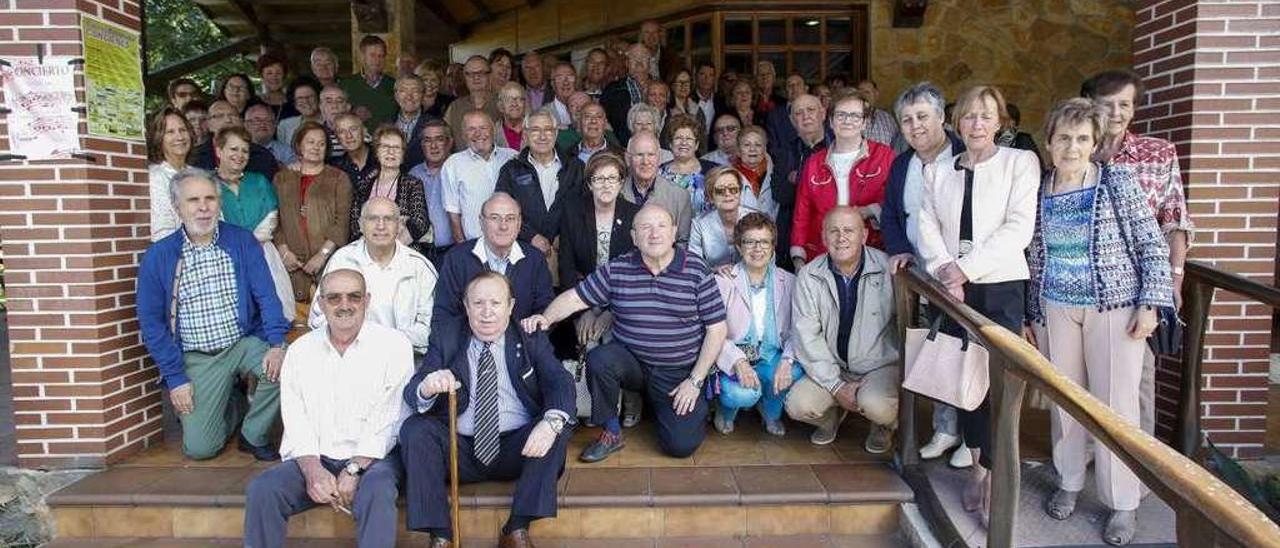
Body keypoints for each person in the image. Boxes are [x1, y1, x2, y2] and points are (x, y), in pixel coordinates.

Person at [1022, 97, 1173, 546]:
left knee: (1116, 408)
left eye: (1082, 139)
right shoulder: (1038, 189)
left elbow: (1152, 244)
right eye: (1064, 138)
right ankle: (1069, 481)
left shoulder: (1116, 182)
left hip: (1115, 309)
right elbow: (1031, 256)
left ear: (1095, 143)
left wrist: (1151, 303)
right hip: (1055, 308)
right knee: (1066, 404)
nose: (1072, 147)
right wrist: (1032, 315)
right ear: (1049, 141)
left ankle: (1122, 502)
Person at [916, 85, 1039, 521]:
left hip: (999, 286)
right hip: (953, 289)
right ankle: (975, 469)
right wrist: (945, 269)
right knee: (964, 383)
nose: (977, 124)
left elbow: (1019, 228)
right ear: (956, 122)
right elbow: (927, 224)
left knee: (1000, 387)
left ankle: (993, 473)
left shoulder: (1020, 163)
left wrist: (965, 270)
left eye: (986, 116)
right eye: (968, 116)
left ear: (1000, 121)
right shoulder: (939, 170)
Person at [522, 205, 728, 462]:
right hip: (633, 364)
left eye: (661, 226)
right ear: (633, 236)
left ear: (674, 232)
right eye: (645, 227)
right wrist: (546, 318)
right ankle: (612, 431)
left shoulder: (696, 270)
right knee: (600, 360)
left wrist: (695, 381)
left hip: (678, 373)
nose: (654, 234)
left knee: (680, 446)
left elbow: (717, 330)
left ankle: (666, 407)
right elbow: (576, 298)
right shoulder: (619, 268)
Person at [401, 271, 575, 547]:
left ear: (511, 306)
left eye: (495, 303)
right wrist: (427, 386)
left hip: (517, 447)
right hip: (460, 451)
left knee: (556, 426)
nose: (487, 313)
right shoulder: (447, 334)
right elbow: (413, 391)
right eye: (478, 304)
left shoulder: (529, 336)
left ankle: (516, 529)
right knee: (415, 429)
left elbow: (560, 381)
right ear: (466, 306)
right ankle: (441, 536)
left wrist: (551, 422)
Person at [243, 268, 412, 548]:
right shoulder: (300, 352)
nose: (344, 305)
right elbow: (296, 420)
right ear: (320, 304)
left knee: (378, 490)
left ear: (367, 301)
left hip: (375, 460)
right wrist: (312, 470)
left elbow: (389, 418)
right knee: (262, 490)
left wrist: (355, 468)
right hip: (317, 458)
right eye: (334, 298)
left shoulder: (394, 346)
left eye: (353, 297)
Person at [137, 169, 287, 461]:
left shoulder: (241, 241)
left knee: (288, 366)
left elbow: (267, 296)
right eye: (193, 200)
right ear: (177, 207)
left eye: (210, 198)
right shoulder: (160, 255)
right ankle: (233, 406)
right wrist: (175, 377)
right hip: (197, 357)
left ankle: (252, 434)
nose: (203, 207)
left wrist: (277, 343)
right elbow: (151, 324)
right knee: (200, 449)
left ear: (219, 203)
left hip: (242, 343)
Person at [1083, 69, 1194, 438]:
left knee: (1137, 380)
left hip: (1139, 286)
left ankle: (1140, 466)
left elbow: (1174, 219)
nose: (1115, 112)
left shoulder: (1157, 153)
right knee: (1084, 377)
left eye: (1124, 104)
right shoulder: (1079, 149)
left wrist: (1174, 280)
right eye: (1107, 104)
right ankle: (1089, 456)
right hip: (1084, 285)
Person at [879, 82, 971, 469]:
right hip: (918, 273)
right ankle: (945, 429)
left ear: (942, 118)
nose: (915, 126)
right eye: (907, 120)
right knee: (932, 349)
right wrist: (898, 248)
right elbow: (890, 213)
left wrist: (961, 267)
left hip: (962, 274)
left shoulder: (966, 158)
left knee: (966, 352)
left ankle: (972, 437)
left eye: (922, 117)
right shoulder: (903, 164)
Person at [786, 207, 899, 453]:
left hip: (878, 366)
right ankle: (830, 418)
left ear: (864, 235)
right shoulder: (809, 275)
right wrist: (836, 385)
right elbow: (806, 335)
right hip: (833, 366)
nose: (841, 237)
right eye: (833, 231)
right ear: (824, 238)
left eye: (849, 230)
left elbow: (908, 323)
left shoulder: (887, 269)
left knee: (877, 406)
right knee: (798, 405)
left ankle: (883, 426)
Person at [310, 198, 438, 355]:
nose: (381, 226)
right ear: (360, 225)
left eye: (389, 219)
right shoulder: (342, 260)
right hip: (348, 357)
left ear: (399, 226)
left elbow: (431, 328)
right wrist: (356, 340)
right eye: (372, 219)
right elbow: (318, 318)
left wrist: (383, 342)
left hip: (402, 359)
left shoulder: (419, 267)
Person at [711, 213, 800, 436]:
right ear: (739, 247)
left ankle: (770, 413)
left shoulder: (789, 281)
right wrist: (738, 361)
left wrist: (787, 361)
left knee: (792, 371)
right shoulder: (723, 281)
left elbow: (799, 330)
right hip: (736, 354)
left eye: (764, 242)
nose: (757, 248)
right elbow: (713, 332)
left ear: (773, 246)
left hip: (772, 355)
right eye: (749, 242)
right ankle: (725, 411)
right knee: (741, 395)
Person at [791, 90, 893, 266]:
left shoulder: (885, 156)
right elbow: (802, 213)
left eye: (854, 116)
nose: (847, 121)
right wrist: (798, 256)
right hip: (823, 254)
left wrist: (870, 210)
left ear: (864, 123)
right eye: (841, 115)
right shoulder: (814, 162)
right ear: (830, 121)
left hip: (872, 252)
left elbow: (898, 204)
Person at [434, 193, 554, 331]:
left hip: (522, 348)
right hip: (468, 347)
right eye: (495, 218)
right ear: (481, 221)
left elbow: (545, 313)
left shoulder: (535, 260)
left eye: (510, 218)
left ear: (519, 223)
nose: (503, 226)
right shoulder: (456, 259)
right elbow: (444, 314)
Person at [211, 126, 295, 322]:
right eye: (234, 149)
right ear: (219, 151)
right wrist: (237, 244)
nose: (240, 155)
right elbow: (212, 220)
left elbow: (272, 214)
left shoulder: (259, 181)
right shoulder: (207, 183)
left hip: (262, 251)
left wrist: (253, 241)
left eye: (244, 150)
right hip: (225, 256)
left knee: (272, 309)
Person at [273, 121, 354, 304]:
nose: (316, 147)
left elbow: (341, 222)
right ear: (299, 145)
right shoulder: (282, 178)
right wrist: (284, 252)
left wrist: (322, 255)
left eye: (321, 143)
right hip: (290, 263)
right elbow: (275, 221)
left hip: (328, 262)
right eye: (310, 142)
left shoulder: (339, 178)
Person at [495, 109, 586, 268]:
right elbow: (501, 212)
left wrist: (564, 236)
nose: (543, 136)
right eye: (535, 130)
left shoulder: (575, 167)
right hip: (523, 253)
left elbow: (584, 207)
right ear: (525, 135)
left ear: (556, 133)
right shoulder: (511, 170)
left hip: (567, 253)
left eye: (548, 130)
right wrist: (531, 237)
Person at [557, 151, 639, 300]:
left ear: (621, 183)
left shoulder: (634, 215)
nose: (606, 185)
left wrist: (609, 312)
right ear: (589, 184)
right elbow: (566, 267)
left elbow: (636, 271)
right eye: (599, 179)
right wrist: (581, 310)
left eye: (612, 178)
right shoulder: (572, 213)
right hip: (581, 296)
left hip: (623, 300)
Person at [771, 93, 829, 269]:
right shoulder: (785, 152)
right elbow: (781, 195)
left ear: (823, 113)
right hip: (795, 239)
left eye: (811, 110)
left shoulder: (838, 146)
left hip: (831, 233)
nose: (806, 116)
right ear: (791, 119)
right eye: (799, 113)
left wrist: (799, 177)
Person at [349, 126, 430, 252]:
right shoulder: (364, 185)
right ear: (376, 151)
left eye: (396, 148)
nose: (391, 152)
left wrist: (390, 251)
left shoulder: (412, 184)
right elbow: (355, 223)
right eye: (385, 147)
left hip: (403, 253)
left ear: (403, 154)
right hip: (367, 254)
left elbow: (420, 223)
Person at [442, 110, 519, 241]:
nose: (478, 134)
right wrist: (463, 249)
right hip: (474, 244)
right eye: (471, 129)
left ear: (493, 130)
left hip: (513, 242)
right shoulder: (453, 164)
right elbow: (453, 215)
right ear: (464, 135)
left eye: (483, 128)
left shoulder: (512, 157)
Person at [621, 131, 693, 244]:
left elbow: (683, 242)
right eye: (639, 155)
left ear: (659, 158)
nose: (645, 161)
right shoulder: (615, 192)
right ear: (627, 158)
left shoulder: (679, 196)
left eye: (651, 155)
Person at [190, 100, 280, 180]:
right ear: (208, 124)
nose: (228, 120)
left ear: (241, 122)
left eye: (233, 115)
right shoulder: (194, 157)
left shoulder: (262, 155)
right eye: (219, 116)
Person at [409, 119, 457, 263]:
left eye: (439, 139)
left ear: (450, 143)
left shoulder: (459, 169)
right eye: (427, 140)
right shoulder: (413, 174)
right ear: (421, 145)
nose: (434, 146)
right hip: (420, 253)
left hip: (453, 252)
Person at [689, 166, 757, 268]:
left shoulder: (756, 219)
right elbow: (694, 265)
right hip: (713, 280)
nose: (727, 194)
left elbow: (767, 259)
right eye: (720, 191)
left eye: (733, 189)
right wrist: (714, 271)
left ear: (740, 192)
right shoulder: (698, 224)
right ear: (711, 197)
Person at [147, 107, 196, 241]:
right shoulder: (156, 177)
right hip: (176, 256)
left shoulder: (199, 175)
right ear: (158, 138)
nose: (179, 137)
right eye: (170, 132)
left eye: (182, 130)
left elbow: (218, 221)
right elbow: (162, 232)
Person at [659, 115, 717, 215]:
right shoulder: (659, 173)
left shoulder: (714, 171)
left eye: (689, 138)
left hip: (705, 228)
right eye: (678, 138)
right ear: (670, 144)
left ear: (697, 145)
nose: (684, 143)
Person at [444, 55, 502, 150]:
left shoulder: (503, 103)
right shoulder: (454, 107)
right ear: (464, 77)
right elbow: (445, 139)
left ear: (490, 75)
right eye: (470, 74)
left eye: (481, 73)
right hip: (462, 163)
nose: (476, 77)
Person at [340, 35, 398, 128]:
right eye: (372, 55)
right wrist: (351, 112)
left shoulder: (395, 85)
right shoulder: (346, 84)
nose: (377, 60)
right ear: (362, 57)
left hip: (386, 139)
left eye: (381, 56)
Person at [602, 43, 653, 144]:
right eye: (634, 57)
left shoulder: (661, 87)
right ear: (627, 62)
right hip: (624, 148)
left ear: (650, 62)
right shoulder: (613, 90)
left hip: (657, 148)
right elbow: (604, 121)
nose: (639, 61)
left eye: (643, 57)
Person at [732, 125, 779, 219]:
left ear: (765, 149)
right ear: (738, 151)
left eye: (758, 145)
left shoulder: (777, 173)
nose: (752, 149)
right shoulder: (729, 177)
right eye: (746, 145)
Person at [393, 75, 431, 170]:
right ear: (396, 96)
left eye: (415, 91)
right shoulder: (385, 124)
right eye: (403, 91)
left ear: (423, 95)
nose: (409, 97)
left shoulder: (434, 124)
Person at [276, 78, 322, 154]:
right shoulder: (284, 125)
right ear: (294, 102)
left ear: (318, 98)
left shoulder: (329, 123)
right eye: (300, 98)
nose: (305, 101)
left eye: (310, 97)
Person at [332, 112, 378, 185]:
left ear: (364, 131)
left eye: (353, 129)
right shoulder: (336, 169)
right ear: (337, 138)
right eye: (341, 132)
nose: (349, 136)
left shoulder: (381, 157)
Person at [856, 79, 901, 150]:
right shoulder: (850, 118)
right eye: (859, 92)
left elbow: (897, 145)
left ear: (876, 94)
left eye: (867, 92)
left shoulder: (888, 119)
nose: (862, 96)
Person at [318, 85, 354, 160]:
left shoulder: (360, 135)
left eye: (339, 101)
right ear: (321, 107)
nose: (334, 106)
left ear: (348, 107)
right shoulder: (313, 134)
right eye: (329, 102)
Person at [495, 82, 530, 151]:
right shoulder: (493, 132)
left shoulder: (535, 128)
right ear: (500, 106)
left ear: (525, 104)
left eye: (519, 99)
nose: (514, 103)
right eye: (508, 99)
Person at [693, 63, 722, 139]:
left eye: (711, 75)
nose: (706, 78)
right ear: (696, 76)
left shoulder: (720, 101)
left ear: (714, 78)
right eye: (702, 74)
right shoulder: (689, 99)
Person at [547, 62, 578, 129]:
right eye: (560, 78)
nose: (566, 82)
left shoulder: (588, 108)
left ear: (576, 81)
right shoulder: (543, 114)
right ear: (552, 84)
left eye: (570, 77)